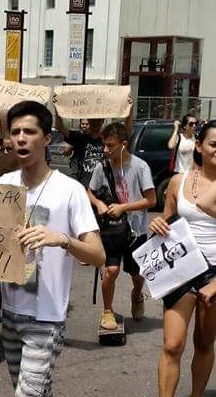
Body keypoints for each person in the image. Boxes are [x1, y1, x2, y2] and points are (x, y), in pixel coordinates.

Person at [0, 101, 104, 395]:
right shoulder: (3, 186)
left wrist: (63, 240)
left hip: (45, 316)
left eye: (29, 131)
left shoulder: (70, 190)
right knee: (33, 390)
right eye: (15, 131)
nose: (20, 138)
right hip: (10, 312)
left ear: (47, 139)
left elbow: (98, 255)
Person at [149, 120, 216, 397]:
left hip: (214, 272)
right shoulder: (179, 181)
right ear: (198, 146)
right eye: (214, 144)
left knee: (203, 342)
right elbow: (167, 223)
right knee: (172, 345)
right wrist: (156, 226)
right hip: (181, 267)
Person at [87, 122, 156, 330]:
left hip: (136, 230)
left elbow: (151, 200)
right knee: (111, 270)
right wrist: (99, 203)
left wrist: (124, 207)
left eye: (110, 145)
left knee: (137, 274)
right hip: (112, 229)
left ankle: (137, 295)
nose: (105, 150)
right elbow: (89, 191)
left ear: (123, 145)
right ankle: (107, 310)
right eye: (104, 145)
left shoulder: (140, 166)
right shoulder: (102, 167)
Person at [56, 111, 133, 188]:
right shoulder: (80, 138)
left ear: (103, 120)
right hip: (85, 187)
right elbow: (60, 128)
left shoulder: (108, 139)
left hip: (104, 188)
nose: (96, 122)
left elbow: (126, 133)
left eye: (98, 120)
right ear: (89, 120)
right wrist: (58, 110)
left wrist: (130, 110)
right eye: (93, 120)